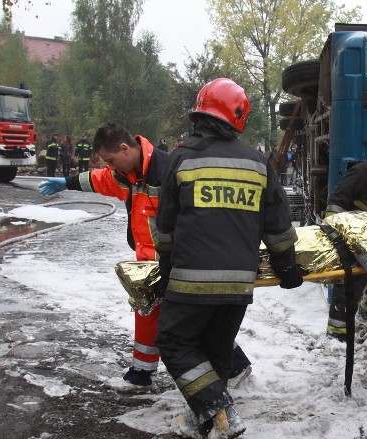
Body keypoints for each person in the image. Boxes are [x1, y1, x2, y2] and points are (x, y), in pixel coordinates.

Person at [37, 123, 254, 390]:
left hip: (176, 260)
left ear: (126, 149)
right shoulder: (126, 174)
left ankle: (232, 366)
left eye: (112, 160)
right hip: (150, 262)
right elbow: (101, 179)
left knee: (188, 323)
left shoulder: (168, 170)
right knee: (152, 315)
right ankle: (143, 371)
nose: (111, 167)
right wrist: (67, 182)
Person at [154, 78, 302, 439]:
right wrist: (287, 267)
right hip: (238, 284)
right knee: (215, 350)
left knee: (173, 343)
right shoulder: (257, 162)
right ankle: (204, 422)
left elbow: (166, 227)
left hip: (191, 279)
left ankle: (224, 410)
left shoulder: (182, 158)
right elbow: (278, 225)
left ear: (200, 113)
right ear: (237, 117)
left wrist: (167, 270)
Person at [323, 141, 367, 341]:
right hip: (356, 239)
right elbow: (336, 203)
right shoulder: (362, 173)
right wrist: (337, 235)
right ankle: (337, 334)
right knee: (349, 283)